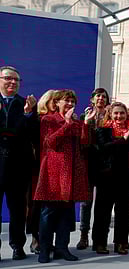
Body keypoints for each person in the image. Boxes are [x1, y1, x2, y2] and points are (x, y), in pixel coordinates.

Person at [34, 89, 94, 263]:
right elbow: (49, 142)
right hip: (53, 170)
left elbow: (85, 143)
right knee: (48, 212)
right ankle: (44, 249)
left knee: (66, 212)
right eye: (66, 101)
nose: (69, 104)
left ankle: (62, 248)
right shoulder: (48, 119)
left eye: (72, 102)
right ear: (57, 102)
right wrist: (66, 124)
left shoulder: (76, 121)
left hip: (72, 171)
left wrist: (85, 124)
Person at [0, 66, 37, 261]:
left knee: (17, 211)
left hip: (18, 167)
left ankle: (17, 246)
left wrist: (28, 115)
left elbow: (32, 134)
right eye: (8, 78)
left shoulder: (27, 104)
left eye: (16, 80)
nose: (12, 82)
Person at [92, 102, 129, 255]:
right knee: (103, 211)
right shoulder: (103, 129)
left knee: (123, 211)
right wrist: (123, 139)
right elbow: (104, 148)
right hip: (107, 176)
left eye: (122, 113)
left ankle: (121, 242)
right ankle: (99, 243)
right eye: (116, 113)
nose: (119, 116)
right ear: (110, 114)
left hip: (125, 175)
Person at [76, 88, 110, 250]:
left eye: (104, 97)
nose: (101, 99)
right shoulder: (85, 117)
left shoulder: (111, 118)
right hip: (88, 163)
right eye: (98, 96)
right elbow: (82, 141)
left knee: (102, 204)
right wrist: (88, 122)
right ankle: (83, 235)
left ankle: (99, 238)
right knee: (85, 202)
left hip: (105, 165)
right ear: (92, 99)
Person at [27, 89, 57, 255]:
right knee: (37, 205)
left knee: (51, 206)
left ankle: (48, 240)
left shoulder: (61, 120)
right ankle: (35, 240)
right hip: (38, 167)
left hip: (55, 168)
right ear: (46, 102)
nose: (57, 103)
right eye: (54, 100)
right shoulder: (37, 119)